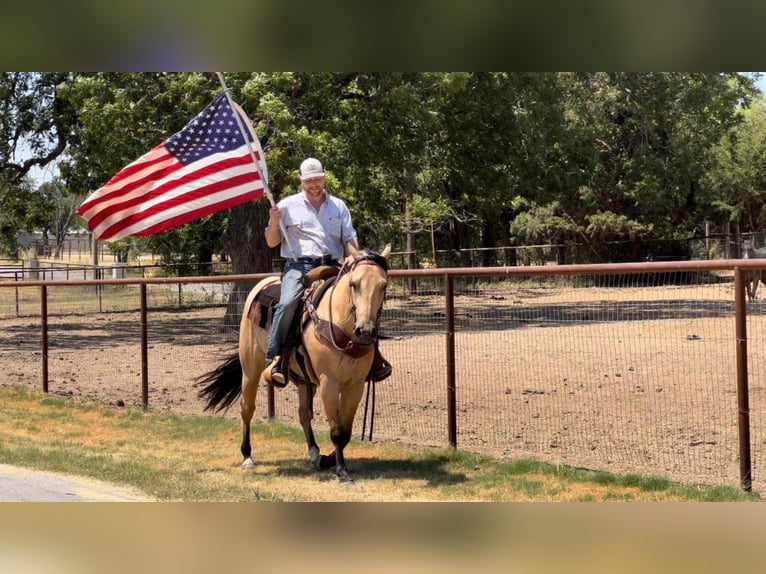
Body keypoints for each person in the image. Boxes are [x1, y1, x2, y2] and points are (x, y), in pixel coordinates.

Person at [262, 157, 392, 386]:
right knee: (288, 303)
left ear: (324, 178)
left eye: (318, 179)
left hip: (334, 265)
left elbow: (349, 237)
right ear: (301, 180)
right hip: (299, 266)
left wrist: (355, 256)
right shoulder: (286, 206)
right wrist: (273, 222)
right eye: (309, 180)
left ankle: (373, 358)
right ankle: (275, 360)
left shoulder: (338, 206)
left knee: (362, 300)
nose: (314, 184)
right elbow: (272, 242)